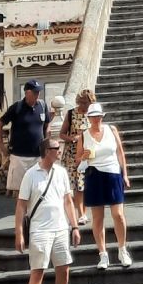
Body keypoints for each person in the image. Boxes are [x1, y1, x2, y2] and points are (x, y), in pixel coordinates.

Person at [15, 139, 80, 284]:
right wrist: (19, 232)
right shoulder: (31, 175)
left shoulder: (61, 172)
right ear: (46, 151)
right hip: (40, 230)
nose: (59, 151)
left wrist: (74, 226)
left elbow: (68, 200)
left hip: (60, 227)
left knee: (64, 269)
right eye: (55, 148)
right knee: (38, 272)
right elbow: (21, 205)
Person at [79, 103, 132, 270]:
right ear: (89, 118)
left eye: (99, 116)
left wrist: (124, 174)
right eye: (93, 116)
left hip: (113, 173)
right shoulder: (84, 135)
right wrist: (84, 155)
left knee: (118, 215)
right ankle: (103, 253)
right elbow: (77, 159)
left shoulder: (111, 130)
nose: (97, 119)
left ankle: (122, 249)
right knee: (98, 218)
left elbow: (120, 152)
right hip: (94, 174)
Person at [0, 80, 51, 196]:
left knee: (39, 188)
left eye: (38, 92)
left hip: (37, 155)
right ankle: (21, 213)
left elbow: (47, 124)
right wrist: (1, 145)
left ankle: (33, 213)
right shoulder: (17, 107)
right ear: (27, 93)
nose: (37, 95)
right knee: (19, 190)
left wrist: (47, 143)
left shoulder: (42, 105)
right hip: (19, 156)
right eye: (35, 92)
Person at [59, 87, 95, 225]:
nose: (84, 105)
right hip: (73, 154)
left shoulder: (92, 114)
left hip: (88, 153)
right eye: (82, 102)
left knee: (84, 185)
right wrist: (73, 138)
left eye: (87, 103)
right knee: (77, 185)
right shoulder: (71, 114)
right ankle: (80, 214)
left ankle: (83, 213)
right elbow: (62, 133)